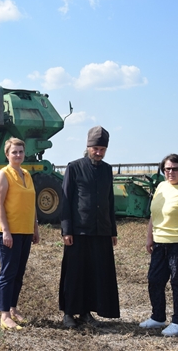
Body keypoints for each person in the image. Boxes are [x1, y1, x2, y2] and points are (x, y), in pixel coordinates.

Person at [59, 126, 120, 329]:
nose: (99, 153)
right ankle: (69, 313)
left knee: (95, 273)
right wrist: (66, 230)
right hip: (78, 231)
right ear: (88, 147)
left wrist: (112, 230)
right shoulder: (74, 167)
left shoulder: (107, 170)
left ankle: (86, 313)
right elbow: (65, 200)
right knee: (74, 273)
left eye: (102, 149)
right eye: (96, 149)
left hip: (101, 231)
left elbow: (109, 201)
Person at [139, 154, 178, 336]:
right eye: (167, 169)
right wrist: (149, 237)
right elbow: (154, 214)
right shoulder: (161, 187)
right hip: (159, 243)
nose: (170, 172)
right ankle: (158, 316)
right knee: (154, 280)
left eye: (175, 169)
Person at [0, 137, 40, 331]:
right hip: (8, 232)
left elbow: (32, 204)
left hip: (25, 231)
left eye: (21, 151)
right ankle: (4, 315)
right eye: (14, 152)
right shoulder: (3, 175)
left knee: (19, 273)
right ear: (7, 154)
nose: (18, 155)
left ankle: (13, 308)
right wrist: (5, 231)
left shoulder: (27, 174)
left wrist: (35, 228)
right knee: (8, 272)